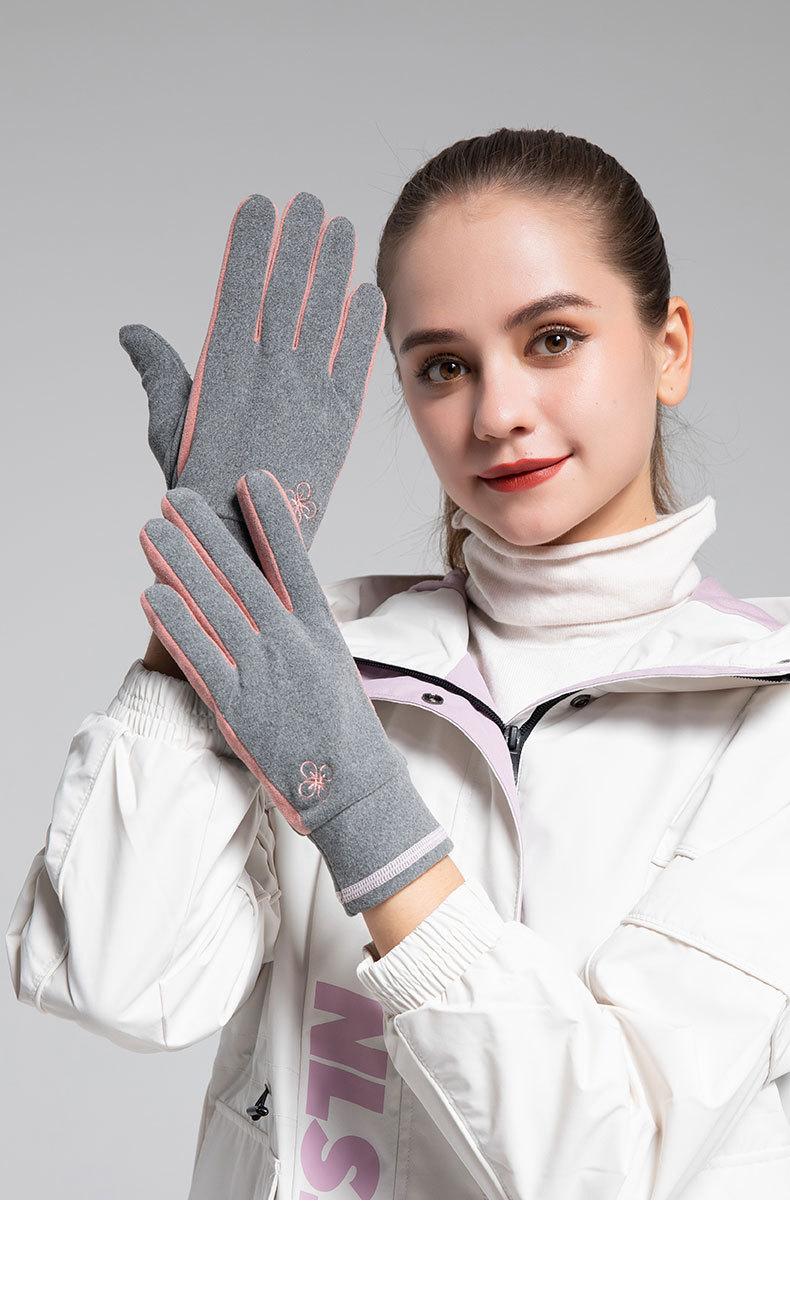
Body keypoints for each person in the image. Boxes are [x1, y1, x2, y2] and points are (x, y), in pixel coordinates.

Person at [7, 126, 790, 1201]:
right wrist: (210, 589)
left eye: (553, 339)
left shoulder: (765, 714)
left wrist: (364, 812)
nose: (498, 412)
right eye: (443, 366)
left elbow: (606, 1174)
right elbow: (115, 979)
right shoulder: (313, 659)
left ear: (669, 348)